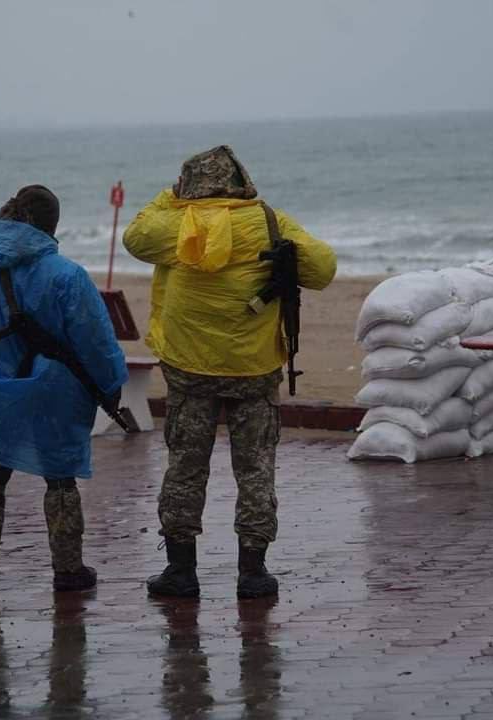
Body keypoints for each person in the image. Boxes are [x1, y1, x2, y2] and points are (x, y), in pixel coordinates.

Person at [123, 146, 336, 599]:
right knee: (256, 467)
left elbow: (135, 237)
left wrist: (169, 197)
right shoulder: (270, 220)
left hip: (188, 368)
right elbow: (323, 270)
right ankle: (253, 573)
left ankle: (181, 571)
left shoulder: (178, 226)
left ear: (189, 187)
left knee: (185, 466)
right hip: (255, 368)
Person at [0, 184, 128, 593]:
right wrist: (111, 384)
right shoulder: (67, 276)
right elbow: (94, 340)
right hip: (51, 391)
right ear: (51, 227)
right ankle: (68, 570)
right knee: (60, 479)